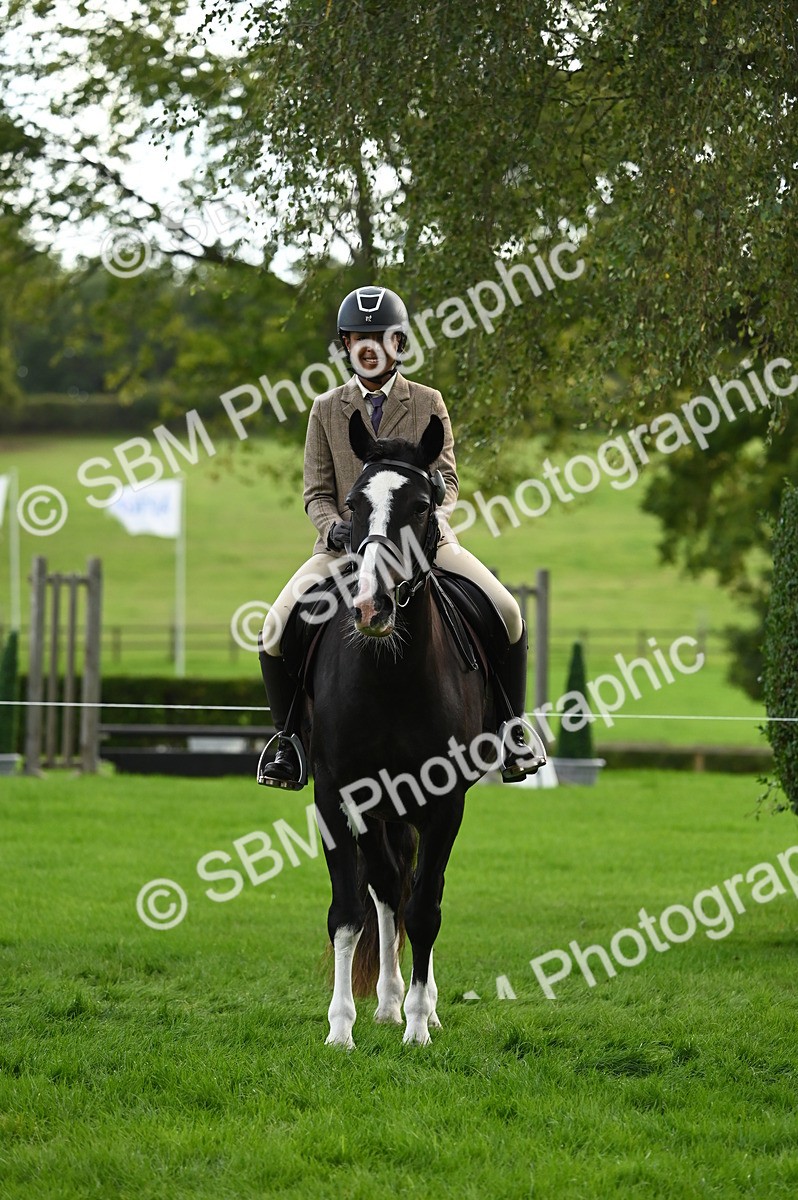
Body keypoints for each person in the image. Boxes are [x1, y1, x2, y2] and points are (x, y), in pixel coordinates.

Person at [258, 284, 539, 788]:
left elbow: (448, 480)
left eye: (379, 337)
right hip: (346, 550)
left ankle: (512, 729)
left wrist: (427, 517)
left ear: (399, 345)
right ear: (345, 346)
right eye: (357, 338)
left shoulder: (428, 401)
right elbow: (317, 493)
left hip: (422, 545)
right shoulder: (326, 408)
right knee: (274, 629)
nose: (368, 346)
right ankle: (288, 743)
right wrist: (334, 528)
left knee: (510, 612)